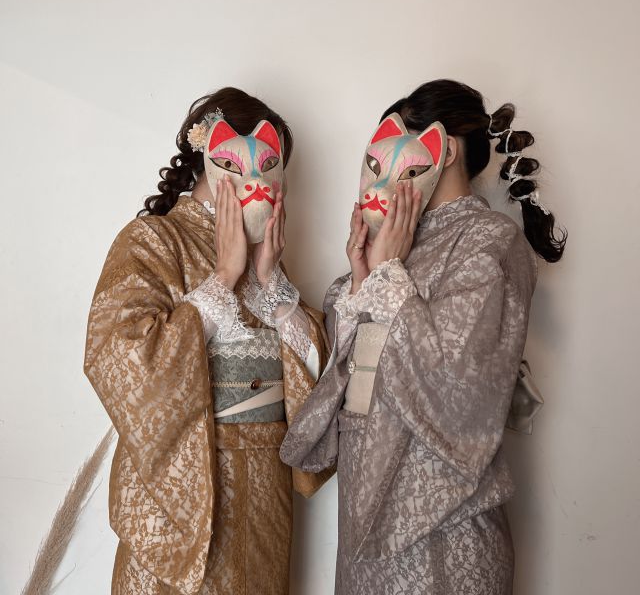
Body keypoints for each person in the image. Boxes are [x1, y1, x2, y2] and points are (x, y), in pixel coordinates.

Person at [281, 79, 567, 594]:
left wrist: (386, 276)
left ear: (445, 150)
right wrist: (362, 281)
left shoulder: (490, 241)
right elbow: (350, 380)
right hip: (364, 500)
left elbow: (464, 382)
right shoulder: (394, 240)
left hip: (447, 519)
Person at [84, 87, 332, 595]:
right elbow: (118, 360)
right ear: (209, 157)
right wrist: (223, 277)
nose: (261, 181)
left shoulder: (269, 259)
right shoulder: (153, 239)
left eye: (273, 165)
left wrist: (271, 284)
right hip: (187, 491)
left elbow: (320, 377)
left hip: (263, 491)